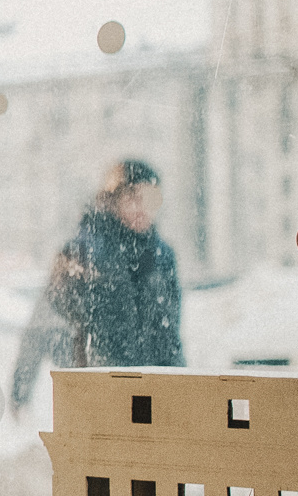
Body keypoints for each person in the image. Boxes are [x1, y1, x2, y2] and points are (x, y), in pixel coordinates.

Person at [11, 160, 181, 409]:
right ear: (113, 199)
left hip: (150, 399)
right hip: (95, 395)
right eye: (133, 197)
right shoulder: (80, 254)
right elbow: (42, 326)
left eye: (151, 198)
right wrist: (21, 389)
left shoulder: (161, 258)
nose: (142, 207)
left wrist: (181, 394)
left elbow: (169, 336)